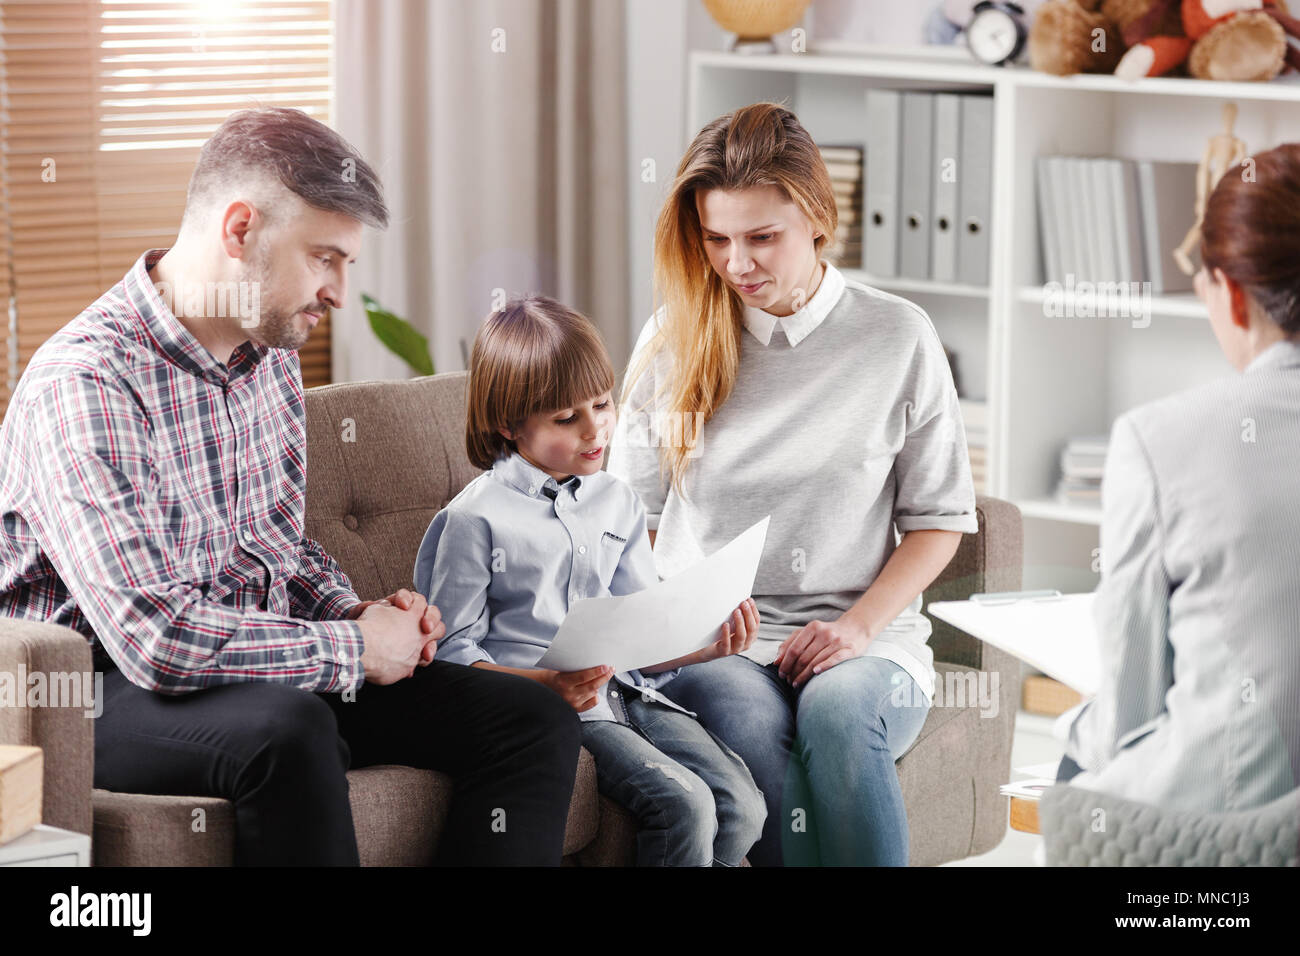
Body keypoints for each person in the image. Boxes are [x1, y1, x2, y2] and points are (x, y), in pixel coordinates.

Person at [0, 108, 582, 865]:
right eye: (324, 258)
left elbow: (278, 548)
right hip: (94, 689)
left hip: (248, 663)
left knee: (529, 719)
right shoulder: (85, 384)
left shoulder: (265, 353)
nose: (339, 291)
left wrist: (360, 612)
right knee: (289, 728)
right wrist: (350, 650)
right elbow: (154, 638)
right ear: (239, 230)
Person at [607, 103, 979, 866]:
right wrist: (677, 629)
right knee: (737, 713)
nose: (737, 262)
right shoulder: (672, 340)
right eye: (717, 239)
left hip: (864, 636)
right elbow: (632, 523)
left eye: (761, 237)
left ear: (815, 219)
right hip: (718, 643)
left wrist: (857, 629)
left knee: (841, 714)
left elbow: (939, 519)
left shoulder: (897, 336)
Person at [414, 295, 767, 866]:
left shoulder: (617, 501)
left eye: (602, 405)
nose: (594, 429)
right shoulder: (472, 519)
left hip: (632, 694)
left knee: (743, 807)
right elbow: (450, 654)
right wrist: (543, 685)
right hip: (559, 709)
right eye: (565, 418)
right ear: (508, 423)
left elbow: (641, 629)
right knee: (688, 806)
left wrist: (704, 644)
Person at [1057, 141, 1300, 810]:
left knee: (1076, 770)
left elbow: (1127, 720)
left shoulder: (1160, 438)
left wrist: (1075, 729)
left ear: (1233, 293)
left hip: (1231, 823)